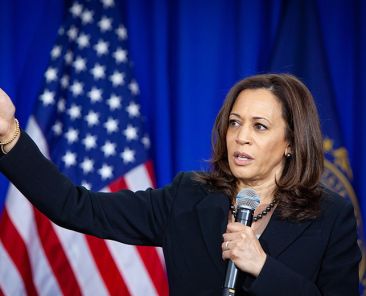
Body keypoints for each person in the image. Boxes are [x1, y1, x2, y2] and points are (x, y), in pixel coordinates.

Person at [0, 73, 361, 295]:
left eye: (259, 126)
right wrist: (9, 138)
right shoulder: (188, 197)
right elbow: (76, 207)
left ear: (292, 143)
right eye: (234, 123)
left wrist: (263, 267)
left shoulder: (330, 217)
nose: (241, 137)